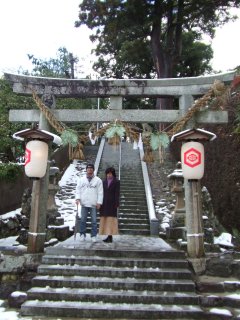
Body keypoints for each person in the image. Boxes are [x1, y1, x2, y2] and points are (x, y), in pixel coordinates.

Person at [75, 163, 103, 242]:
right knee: (83, 220)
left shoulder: (98, 180)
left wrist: (99, 202)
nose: (89, 169)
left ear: (93, 170)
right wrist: (78, 198)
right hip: (84, 203)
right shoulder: (81, 180)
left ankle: (93, 235)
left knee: (94, 221)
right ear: (86, 169)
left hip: (93, 203)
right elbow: (78, 190)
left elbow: (100, 192)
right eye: (88, 168)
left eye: (91, 168)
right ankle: (82, 234)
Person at [99, 167, 120, 243]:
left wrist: (117, 203)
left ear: (113, 174)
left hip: (112, 203)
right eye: (107, 173)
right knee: (105, 220)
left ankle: (110, 236)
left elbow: (117, 193)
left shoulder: (116, 182)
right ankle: (107, 235)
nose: (109, 175)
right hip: (104, 203)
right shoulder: (103, 182)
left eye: (110, 173)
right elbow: (101, 192)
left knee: (110, 220)